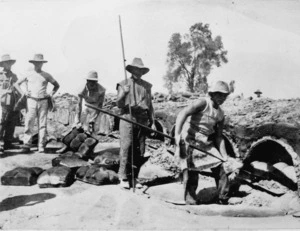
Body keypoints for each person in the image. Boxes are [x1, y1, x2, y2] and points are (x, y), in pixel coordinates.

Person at [174, 80, 234, 205]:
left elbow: (219, 137)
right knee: (192, 170)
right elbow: (183, 113)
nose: (221, 98)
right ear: (212, 94)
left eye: (224, 96)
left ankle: (223, 197)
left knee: (223, 167)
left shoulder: (221, 114)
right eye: (219, 95)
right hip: (190, 139)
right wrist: (177, 135)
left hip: (205, 143)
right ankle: (190, 199)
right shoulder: (203, 103)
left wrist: (224, 157)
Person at [116, 57, 154, 189]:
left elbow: (150, 105)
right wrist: (124, 93)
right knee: (126, 146)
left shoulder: (147, 86)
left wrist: (152, 122)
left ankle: (135, 177)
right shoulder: (123, 84)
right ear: (131, 70)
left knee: (140, 149)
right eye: (135, 69)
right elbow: (119, 104)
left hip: (142, 118)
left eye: (140, 70)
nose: (138, 72)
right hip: (128, 116)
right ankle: (123, 177)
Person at [15, 54, 60, 153]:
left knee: (42, 124)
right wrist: (24, 93)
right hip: (31, 100)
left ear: (42, 64)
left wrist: (50, 94)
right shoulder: (28, 74)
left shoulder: (46, 75)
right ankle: (27, 145)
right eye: (36, 63)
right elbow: (16, 84)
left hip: (43, 101)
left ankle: (41, 145)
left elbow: (57, 85)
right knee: (29, 122)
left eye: (40, 63)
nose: (38, 65)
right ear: (33, 63)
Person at [0, 54, 20, 151]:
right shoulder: (0, 75)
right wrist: (4, 92)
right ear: (3, 64)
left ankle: (8, 142)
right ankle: (0, 143)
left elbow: (18, 87)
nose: (9, 65)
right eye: (7, 63)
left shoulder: (14, 76)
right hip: (2, 103)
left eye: (10, 63)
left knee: (11, 123)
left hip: (12, 102)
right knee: (2, 122)